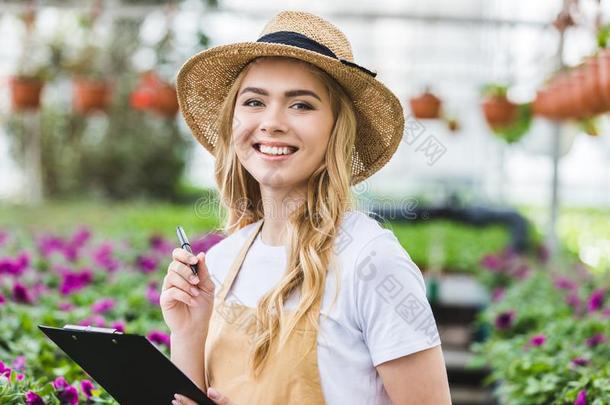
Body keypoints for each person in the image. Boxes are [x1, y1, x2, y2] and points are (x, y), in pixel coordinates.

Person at [160, 10, 451, 405]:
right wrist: (188, 332)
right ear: (233, 121)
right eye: (254, 101)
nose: (272, 122)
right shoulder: (221, 262)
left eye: (301, 105)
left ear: (337, 129)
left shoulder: (372, 263)